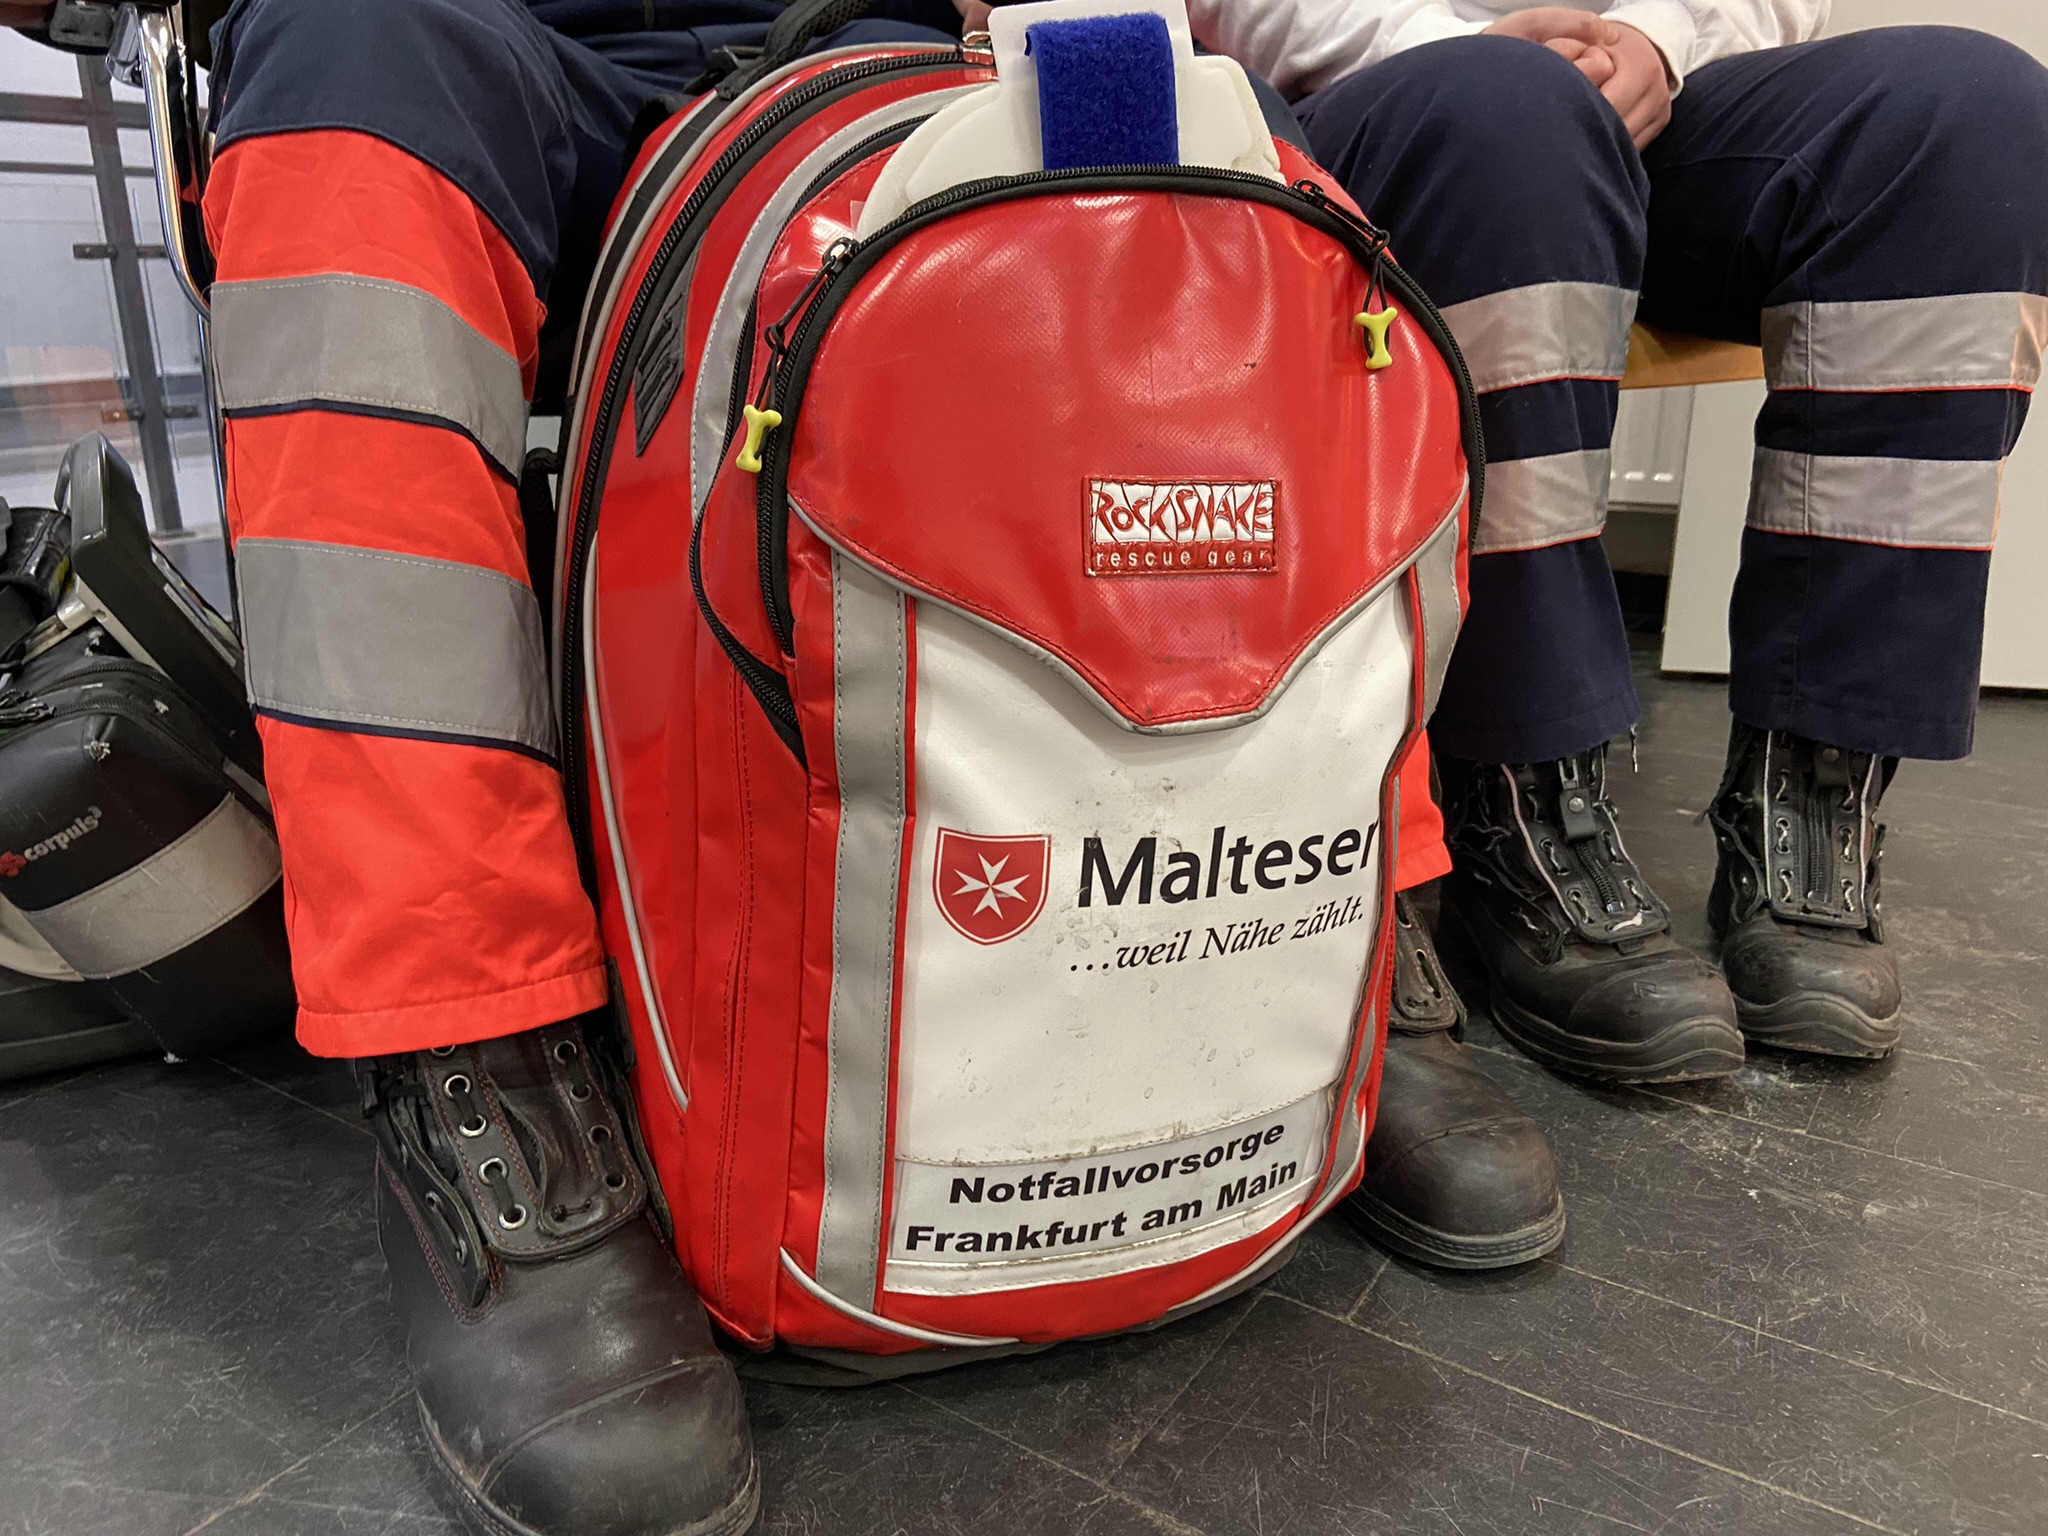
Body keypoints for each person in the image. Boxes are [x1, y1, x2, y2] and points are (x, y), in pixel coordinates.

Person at [0, 3, 1561, 1532]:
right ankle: (478, 1060)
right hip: (510, 44)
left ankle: (1354, 943)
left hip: (865, 34)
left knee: (1229, 148)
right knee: (353, 72)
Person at [1169, 1, 2048, 1085]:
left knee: (1966, 109)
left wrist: (1655, 40)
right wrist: (1440, 46)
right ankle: (1523, 807)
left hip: (1657, 100)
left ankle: (1813, 799)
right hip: (1374, 103)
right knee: (1506, 112)